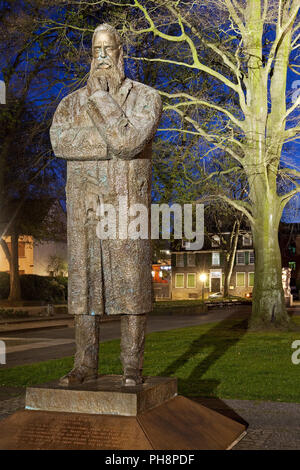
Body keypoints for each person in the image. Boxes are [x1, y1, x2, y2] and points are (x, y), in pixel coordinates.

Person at [50, 23, 162, 386]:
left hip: (128, 208)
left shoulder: (147, 99)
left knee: (132, 287)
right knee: (84, 287)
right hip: (84, 209)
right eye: (95, 50)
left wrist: (100, 102)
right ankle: (85, 365)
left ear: (120, 54)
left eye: (108, 49)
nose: (101, 57)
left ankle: (132, 367)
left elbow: (129, 142)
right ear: (90, 55)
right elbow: (60, 143)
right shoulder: (69, 103)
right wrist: (107, 142)